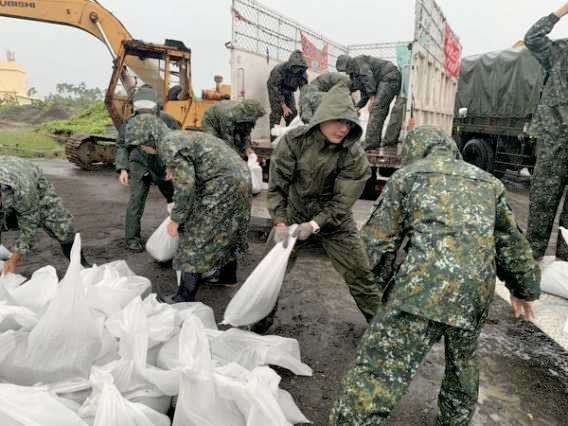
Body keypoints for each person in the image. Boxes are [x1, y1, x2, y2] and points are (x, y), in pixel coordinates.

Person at [329, 125, 541, 425]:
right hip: (473, 296)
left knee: (378, 370)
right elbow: (512, 244)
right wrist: (524, 288)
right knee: (462, 365)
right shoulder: (489, 183)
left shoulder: (407, 177)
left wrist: (377, 295)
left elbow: (376, 245)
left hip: (420, 293)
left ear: (415, 150)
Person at [256, 82, 383, 333]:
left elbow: (341, 202)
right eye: (338, 121)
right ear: (323, 117)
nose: (344, 128)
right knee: (270, 270)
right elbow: (278, 186)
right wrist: (281, 222)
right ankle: (258, 318)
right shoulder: (295, 141)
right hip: (294, 212)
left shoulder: (353, 155)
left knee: (360, 272)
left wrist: (314, 225)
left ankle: (382, 330)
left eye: (349, 123)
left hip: (335, 221)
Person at [123, 113, 252, 303]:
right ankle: (227, 277)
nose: (142, 149)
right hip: (240, 178)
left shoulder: (167, 145)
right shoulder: (176, 136)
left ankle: (184, 296)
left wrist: (176, 219)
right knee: (228, 229)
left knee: (195, 237)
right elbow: (193, 163)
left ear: (148, 137)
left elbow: (186, 187)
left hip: (222, 185)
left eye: (141, 144)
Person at [525, 2, 568, 261]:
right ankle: (533, 255)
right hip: (555, 139)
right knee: (542, 200)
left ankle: (565, 262)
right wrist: (560, 12)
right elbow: (532, 38)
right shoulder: (559, 51)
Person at [115, 84, 180, 252]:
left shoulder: (167, 119)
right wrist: (123, 168)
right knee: (136, 201)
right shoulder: (130, 121)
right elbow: (122, 144)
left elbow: (177, 143)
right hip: (139, 163)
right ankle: (132, 239)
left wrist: (172, 166)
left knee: (174, 197)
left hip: (161, 163)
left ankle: (179, 227)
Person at [0, 156, 90, 273]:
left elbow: (28, 227)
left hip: (38, 193)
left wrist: (13, 260)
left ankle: (82, 265)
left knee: (62, 227)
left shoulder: (24, 192)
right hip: (8, 174)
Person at [336, 54, 401, 150]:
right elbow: (365, 92)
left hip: (389, 76)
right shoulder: (355, 73)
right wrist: (357, 107)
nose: (345, 73)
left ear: (346, 64)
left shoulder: (358, 61)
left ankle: (371, 142)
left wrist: (372, 97)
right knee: (378, 108)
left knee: (376, 107)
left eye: (343, 70)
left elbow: (367, 76)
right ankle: (373, 140)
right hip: (383, 80)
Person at [267, 49, 308, 139]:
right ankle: (274, 140)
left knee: (292, 113)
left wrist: (305, 105)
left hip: (289, 92)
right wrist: (283, 105)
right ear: (291, 64)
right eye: (295, 67)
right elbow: (274, 87)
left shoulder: (302, 73)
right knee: (277, 112)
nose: (297, 69)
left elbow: (305, 90)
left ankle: (289, 139)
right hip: (276, 89)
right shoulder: (279, 69)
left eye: (299, 67)